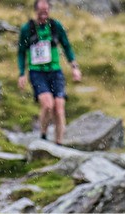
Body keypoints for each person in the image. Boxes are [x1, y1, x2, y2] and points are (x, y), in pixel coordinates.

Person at [17, 0, 81, 145]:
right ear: (36, 11)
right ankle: (44, 135)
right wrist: (22, 73)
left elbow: (66, 46)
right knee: (47, 105)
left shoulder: (55, 26)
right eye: (41, 12)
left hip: (55, 71)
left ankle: (59, 143)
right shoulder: (27, 29)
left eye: (46, 11)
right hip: (37, 72)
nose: (43, 15)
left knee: (59, 107)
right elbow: (21, 52)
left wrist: (74, 67)